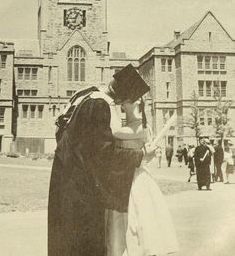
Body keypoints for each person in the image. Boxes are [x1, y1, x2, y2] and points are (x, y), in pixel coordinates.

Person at [48, 64, 157, 256]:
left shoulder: (85, 95)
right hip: (81, 193)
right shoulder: (99, 105)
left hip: (64, 183)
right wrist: (140, 156)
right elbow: (103, 156)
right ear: (123, 99)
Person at [106, 98, 179, 256]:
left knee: (140, 226)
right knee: (123, 228)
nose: (122, 102)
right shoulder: (130, 126)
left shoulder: (140, 127)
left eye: (125, 100)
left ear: (138, 102)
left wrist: (109, 104)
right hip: (124, 178)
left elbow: (113, 132)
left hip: (137, 181)